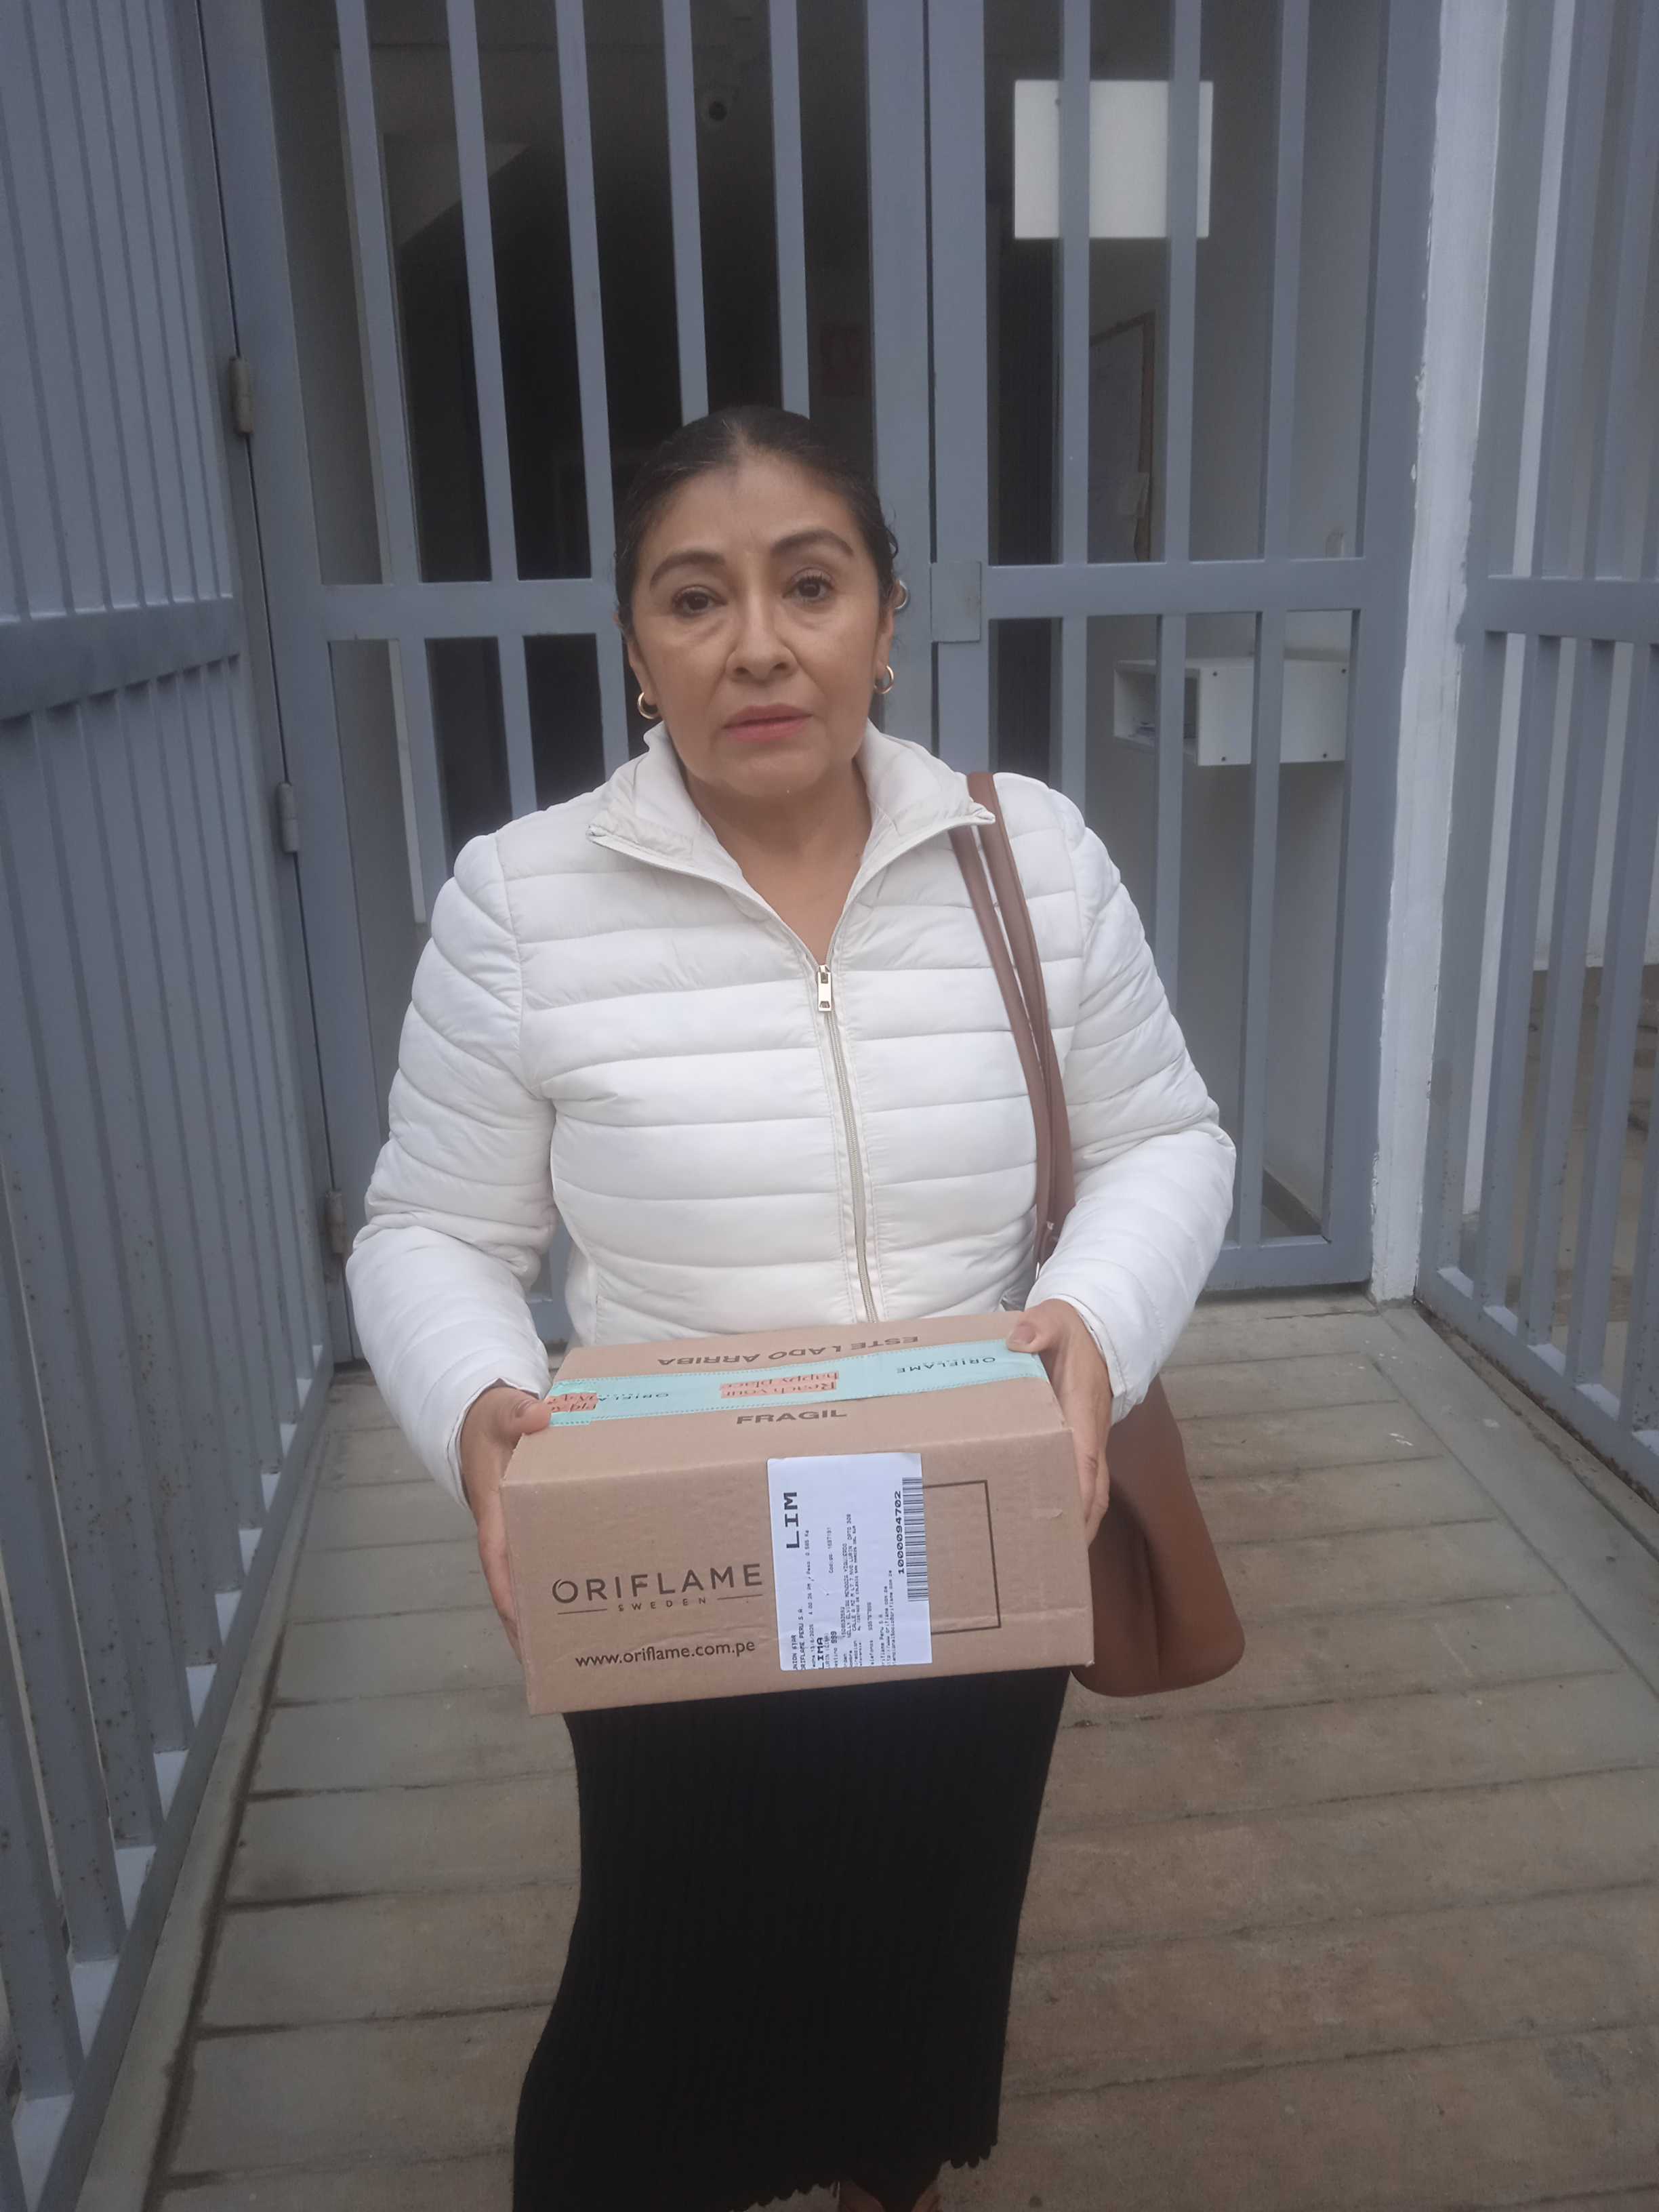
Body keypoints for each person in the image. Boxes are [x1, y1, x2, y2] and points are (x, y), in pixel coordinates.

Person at [347, 404, 1235, 2212]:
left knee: (932, 1911)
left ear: (887, 620)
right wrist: (483, 1410)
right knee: (660, 1973)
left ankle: (893, 2162)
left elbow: (1166, 1137)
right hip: (680, 1539)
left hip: (973, 1514)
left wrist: (1089, 1322)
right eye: (696, 598)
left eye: (809, 586)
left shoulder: (1028, 856)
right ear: (638, 648)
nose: (758, 644)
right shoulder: (523, 901)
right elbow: (427, 1230)